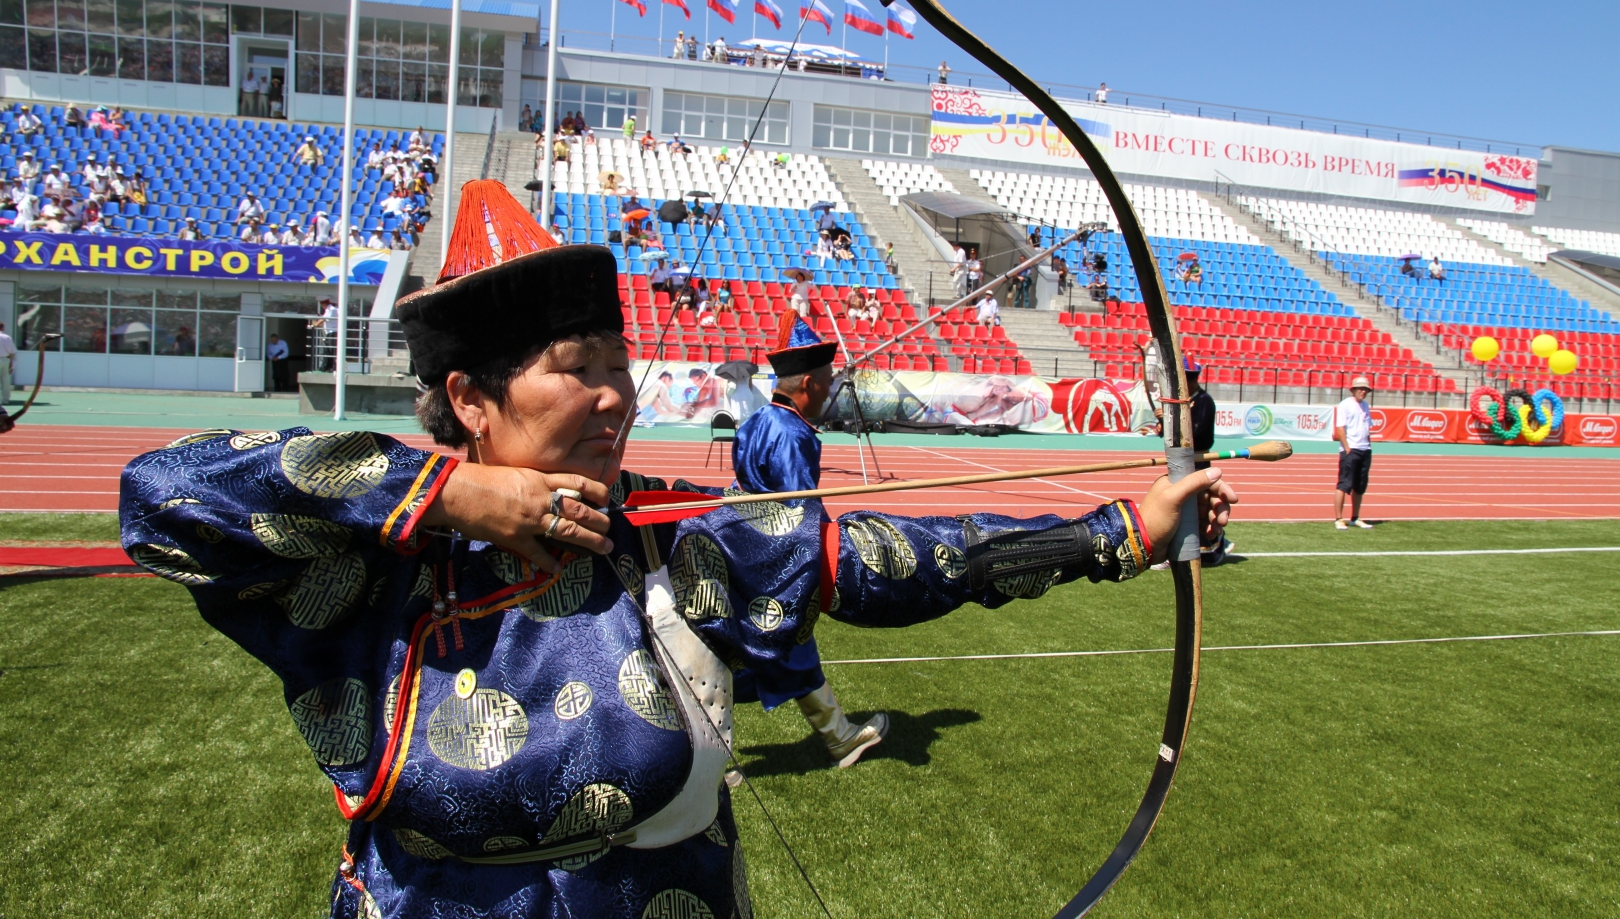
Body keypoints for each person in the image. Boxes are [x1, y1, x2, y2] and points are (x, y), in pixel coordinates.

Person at [119, 177, 1238, 919]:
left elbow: (892, 560)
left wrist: (1121, 534)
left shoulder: (672, 536)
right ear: (469, 398)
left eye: (619, 362)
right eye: (576, 364)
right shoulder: (373, 561)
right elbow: (162, 495)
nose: (613, 395)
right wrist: (451, 497)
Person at [731, 310, 890, 766]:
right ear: (807, 385)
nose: (830, 390)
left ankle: (839, 735)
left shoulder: (756, 422)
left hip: (748, 549)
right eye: (825, 382)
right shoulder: (793, 434)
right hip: (780, 560)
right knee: (786, 645)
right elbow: (800, 510)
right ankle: (839, 737)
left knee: (768, 649)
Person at [1183, 357, 1229, 564]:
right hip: (1185, 459)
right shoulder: (1188, 400)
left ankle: (1215, 547)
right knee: (1187, 503)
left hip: (1198, 459)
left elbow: (1195, 432)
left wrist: (1170, 421)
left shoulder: (1203, 401)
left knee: (1195, 504)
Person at [1333, 376, 1374, 530]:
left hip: (1365, 450)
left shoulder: (1365, 406)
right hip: (1351, 449)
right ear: (1353, 390)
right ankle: (1338, 518)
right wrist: (1347, 448)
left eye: (1365, 389)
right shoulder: (1345, 405)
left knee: (1360, 486)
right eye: (1360, 388)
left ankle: (1355, 517)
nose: (1363, 391)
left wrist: (1368, 446)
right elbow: (1340, 428)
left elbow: (1367, 427)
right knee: (1344, 484)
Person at [309, 297, 338, 371]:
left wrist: (314, 325)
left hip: (333, 333)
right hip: (329, 333)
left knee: (331, 351)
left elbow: (323, 319)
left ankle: (330, 367)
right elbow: (324, 321)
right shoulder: (328, 310)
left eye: (321, 304)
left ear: (324, 303)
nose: (321, 306)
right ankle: (326, 367)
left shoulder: (332, 309)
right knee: (327, 350)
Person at [0, 320, 14, 405]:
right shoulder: (7, 337)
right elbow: (12, 352)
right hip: (5, 359)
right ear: (2, 328)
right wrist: (11, 364)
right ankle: (5, 399)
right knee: (6, 380)